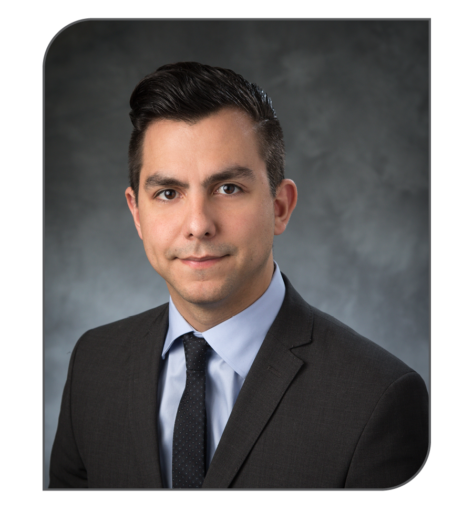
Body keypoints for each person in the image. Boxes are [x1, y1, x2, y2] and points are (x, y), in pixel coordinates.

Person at [49, 62, 428, 489]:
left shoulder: (377, 397)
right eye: (168, 193)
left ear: (280, 207)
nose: (198, 225)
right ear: (137, 213)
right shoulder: (94, 363)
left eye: (228, 188)